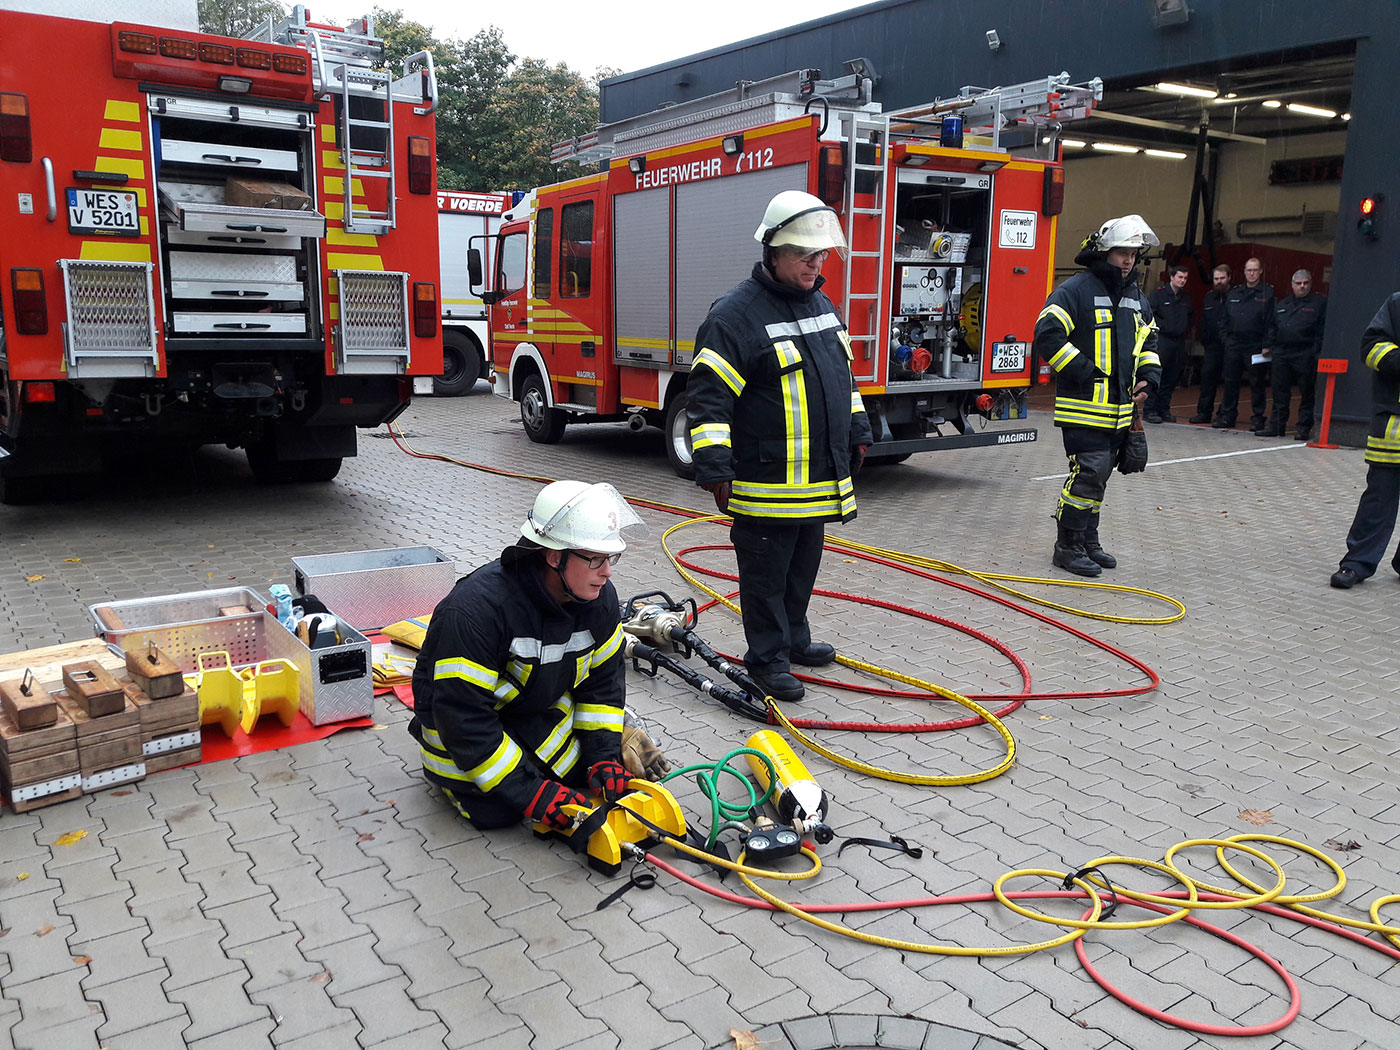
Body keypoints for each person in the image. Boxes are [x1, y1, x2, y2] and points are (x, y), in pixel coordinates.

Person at [687, 189, 873, 703]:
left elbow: (844, 381)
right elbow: (709, 403)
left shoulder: (821, 304)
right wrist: (715, 468)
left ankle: (794, 640)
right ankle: (767, 660)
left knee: (802, 566)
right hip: (765, 482)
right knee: (765, 576)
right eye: (804, 255)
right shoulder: (733, 317)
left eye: (820, 255)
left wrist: (857, 431)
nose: (816, 265)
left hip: (815, 480)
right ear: (773, 252)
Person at [408, 480, 645, 831]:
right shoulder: (476, 611)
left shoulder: (598, 600)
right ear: (554, 556)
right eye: (594, 558)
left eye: (610, 558)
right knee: (499, 813)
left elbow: (603, 684)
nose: (607, 572)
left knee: (584, 777)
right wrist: (534, 794)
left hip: (530, 710)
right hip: (459, 728)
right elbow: (462, 716)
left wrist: (602, 756)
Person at [1033, 214, 1161, 577]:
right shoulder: (1076, 290)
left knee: (1099, 476)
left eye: (1134, 254)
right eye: (1122, 252)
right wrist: (1085, 373)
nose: (1128, 260)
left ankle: (1088, 541)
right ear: (1104, 251)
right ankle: (1067, 546)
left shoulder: (1135, 297)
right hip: (1084, 409)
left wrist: (1149, 378)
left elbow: (1148, 342)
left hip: (1119, 411)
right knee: (1087, 474)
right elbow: (1047, 333)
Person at [1331, 293, 1400, 589]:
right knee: (1378, 501)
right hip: (1394, 426)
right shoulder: (1397, 304)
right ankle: (1357, 562)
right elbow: (1371, 347)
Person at [1257, 269, 1326, 439]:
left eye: (1306, 283)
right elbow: (1272, 326)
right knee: (1279, 391)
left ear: (1310, 283)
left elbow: (1322, 329)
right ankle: (1277, 425)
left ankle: (1303, 427)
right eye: (1299, 283)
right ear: (1292, 285)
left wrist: (1317, 351)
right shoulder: (1283, 304)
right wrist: (1269, 346)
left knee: (1307, 392)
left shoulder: (1319, 303)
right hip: (1281, 352)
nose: (1302, 286)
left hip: (1305, 352)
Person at [1213, 257, 1275, 430]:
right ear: (1244, 272)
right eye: (1249, 270)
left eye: (1255, 270)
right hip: (1234, 344)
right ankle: (1227, 416)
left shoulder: (1267, 293)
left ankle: (1258, 418)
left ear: (1260, 271)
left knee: (1257, 383)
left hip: (1255, 346)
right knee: (1230, 382)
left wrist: (1267, 344)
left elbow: (1271, 322)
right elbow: (1224, 319)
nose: (1251, 274)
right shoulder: (1235, 292)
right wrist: (1226, 340)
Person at [1146, 264, 1193, 423]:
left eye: (1185, 278)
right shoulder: (1158, 295)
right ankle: (1150, 410)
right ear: (1172, 277)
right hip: (1162, 340)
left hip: (1178, 342)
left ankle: (1163, 409)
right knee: (1156, 376)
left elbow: (1190, 317)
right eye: (1180, 277)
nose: (1183, 281)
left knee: (1171, 378)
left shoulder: (1185, 297)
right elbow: (1148, 315)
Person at [1190, 264, 1232, 424]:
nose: (1219, 281)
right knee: (1207, 380)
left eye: (1222, 278)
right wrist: (1204, 339)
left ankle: (1225, 414)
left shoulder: (1235, 296)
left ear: (1229, 278)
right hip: (1212, 346)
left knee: (1229, 382)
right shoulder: (1209, 297)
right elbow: (1204, 320)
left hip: (1229, 347)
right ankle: (1203, 413)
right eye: (1216, 279)